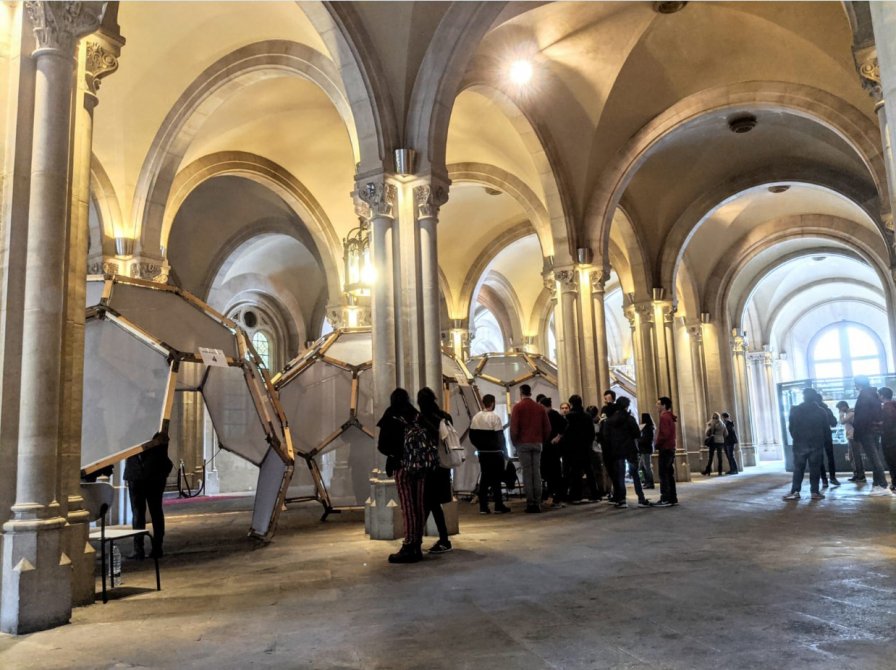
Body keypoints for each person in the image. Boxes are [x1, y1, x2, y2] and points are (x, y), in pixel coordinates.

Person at [377, 388, 426, 564]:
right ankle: (417, 544)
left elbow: (382, 445)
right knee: (418, 505)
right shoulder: (415, 415)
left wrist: (395, 454)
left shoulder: (391, 415)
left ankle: (409, 546)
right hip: (420, 468)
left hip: (402, 467)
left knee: (407, 506)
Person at [124, 431, 173, 559]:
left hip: (149, 473)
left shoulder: (157, 431)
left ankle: (150, 548)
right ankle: (145, 548)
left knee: (147, 511)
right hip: (143, 473)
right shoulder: (156, 431)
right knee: (145, 511)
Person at [417, 387, 454, 554]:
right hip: (444, 465)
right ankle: (419, 538)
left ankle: (440, 539)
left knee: (429, 502)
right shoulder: (445, 416)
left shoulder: (422, 419)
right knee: (431, 503)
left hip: (429, 467)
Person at [509, 383, 551, 513]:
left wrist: (515, 443)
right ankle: (538, 502)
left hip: (523, 443)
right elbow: (548, 427)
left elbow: (514, 428)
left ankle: (530, 502)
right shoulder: (539, 408)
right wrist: (542, 440)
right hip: (537, 443)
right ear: (530, 393)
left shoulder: (518, 407)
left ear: (521, 393)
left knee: (527, 473)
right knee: (536, 472)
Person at [783, 388, 829, 501]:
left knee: (798, 468)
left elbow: (791, 427)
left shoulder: (795, 410)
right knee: (815, 469)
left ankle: (795, 491)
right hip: (816, 444)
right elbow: (826, 430)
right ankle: (814, 492)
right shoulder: (821, 411)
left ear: (803, 397)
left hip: (800, 444)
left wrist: (797, 438)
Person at [469, 393, 511, 514]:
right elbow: (500, 437)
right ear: (492, 403)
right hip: (495, 453)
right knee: (496, 479)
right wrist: (504, 451)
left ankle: (483, 506)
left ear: (483, 402)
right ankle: (498, 505)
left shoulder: (476, 417)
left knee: (485, 478)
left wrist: (479, 446)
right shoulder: (495, 417)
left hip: (483, 453)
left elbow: (472, 436)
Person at [604, 396, 648, 508]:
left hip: (617, 451)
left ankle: (622, 500)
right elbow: (637, 434)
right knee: (635, 475)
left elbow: (606, 437)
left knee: (620, 476)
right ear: (627, 406)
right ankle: (641, 499)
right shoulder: (630, 419)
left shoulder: (609, 421)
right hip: (630, 450)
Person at [853, 375, 891, 495]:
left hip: (866, 430)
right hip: (875, 430)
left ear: (858, 384)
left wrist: (857, 430)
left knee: (874, 459)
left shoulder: (864, 396)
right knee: (875, 457)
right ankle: (876, 483)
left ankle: (883, 484)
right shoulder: (874, 394)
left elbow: (861, 417)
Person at [562, 395, 598, 504]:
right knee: (589, 471)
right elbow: (592, 433)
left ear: (571, 404)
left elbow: (565, 433)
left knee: (575, 473)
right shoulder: (587, 416)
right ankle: (595, 495)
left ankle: (576, 496)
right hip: (586, 448)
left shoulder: (569, 417)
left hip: (573, 448)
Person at [539, 396, 567, 508]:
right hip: (547, 448)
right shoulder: (545, 415)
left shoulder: (554, 415)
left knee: (555, 473)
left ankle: (557, 498)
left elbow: (565, 425)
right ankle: (552, 497)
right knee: (550, 474)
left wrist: (558, 437)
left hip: (553, 449)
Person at [653, 397, 678, 507]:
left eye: (658, 404)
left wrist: (657, 444)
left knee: (664, 474)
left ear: (664, 405)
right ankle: (673, 498)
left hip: (665, 448)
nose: (656, 406)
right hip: (670, 448)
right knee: (669, 474)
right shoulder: (670, 417)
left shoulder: (664, 417)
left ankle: (665, 498)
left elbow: (664, 434)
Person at [812, 392, 839, 487]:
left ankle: (824, 480)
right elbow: (834, 423)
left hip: (816, 437)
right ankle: (833, 477)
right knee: (830, 457)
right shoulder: (826, 409)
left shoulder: (812, 410)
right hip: (827, 435)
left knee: (820, 459)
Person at [837, 400, 864, 482]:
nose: (839, 410)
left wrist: (841, 414)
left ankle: (860, 476)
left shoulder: (851, 413)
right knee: (852, 457)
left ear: (844, 406)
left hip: (853, 437)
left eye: (840, 408)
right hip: (850, 437)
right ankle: (856, 474)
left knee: (856, 457)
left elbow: (841, 421)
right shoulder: (850, 413)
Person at [878, 387, 896, 492]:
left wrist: (879, 425)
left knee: (891, 462)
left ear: (882, 396)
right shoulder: (894, 405)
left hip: (889, 440)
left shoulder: (887, 407)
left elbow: (887, 425)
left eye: (879, 394)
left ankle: (894, 483)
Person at [703, 412, 728, 476]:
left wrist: (708, 426)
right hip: (720, 441)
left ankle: (707, 470)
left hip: (713, 441)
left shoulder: (712, 423)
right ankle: (720, 471)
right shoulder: (723, 424)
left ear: (713, 417)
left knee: (711, 457)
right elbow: (726, 434)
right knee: (719, 457)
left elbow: (707, 433)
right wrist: (721, 437)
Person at [638, 413, 656, 489]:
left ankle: (650, 483)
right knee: (641, 466)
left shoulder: (648, 428)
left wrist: (639, 440)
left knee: (647, 467)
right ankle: (646, 481)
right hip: (643, 449)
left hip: (646, 449)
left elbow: (646, 439)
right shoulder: (645, 428)